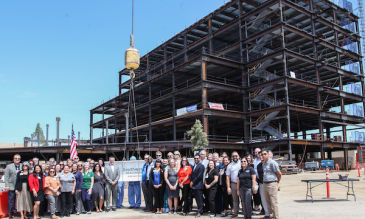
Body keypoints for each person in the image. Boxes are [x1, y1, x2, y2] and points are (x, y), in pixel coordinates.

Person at [262, 149, 281, 219]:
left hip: (272, 184)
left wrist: (277, 183)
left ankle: (276, 217)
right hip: (265, 184)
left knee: (273, 202)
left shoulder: (273, 163)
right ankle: (271, 216)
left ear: (268, 155)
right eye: (262, 154)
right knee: (268, 202)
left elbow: (279, 174)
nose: (263, 155)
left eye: (265, 154)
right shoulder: (264, 164)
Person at [5, 154, 22, 218]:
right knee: (11, 201)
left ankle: (17, 212)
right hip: (11, 186)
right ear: (13, 159)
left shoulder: (22, 166)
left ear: (20, 159)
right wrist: (7, 185)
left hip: (20, 187)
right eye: (16, 158)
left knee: (19, 201)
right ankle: (10, 213)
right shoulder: (9, 166)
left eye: (18, 158)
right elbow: (6, 177)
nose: (17, 159)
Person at [226, 151, 241, 218]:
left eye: (236, 155)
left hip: (242, 184)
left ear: (238, 156)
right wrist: (228, 187)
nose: (235, 157)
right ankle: (235, 212)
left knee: (243, 199)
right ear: (232, 157)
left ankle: (245, 212)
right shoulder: (229, 165)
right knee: (235, 199)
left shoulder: (242, 163)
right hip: (234, 184)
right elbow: (228, 177)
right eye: (233, 156)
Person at [257, 152, 269, 218]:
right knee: (263, 199)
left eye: (261, 155)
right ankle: (267, 213)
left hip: (268, 183)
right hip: (261, 183)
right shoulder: (258, 165)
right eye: (259, 156)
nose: (260, 157)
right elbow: (259, 175)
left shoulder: (267, 164)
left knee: (269, 199)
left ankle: (271, 213)